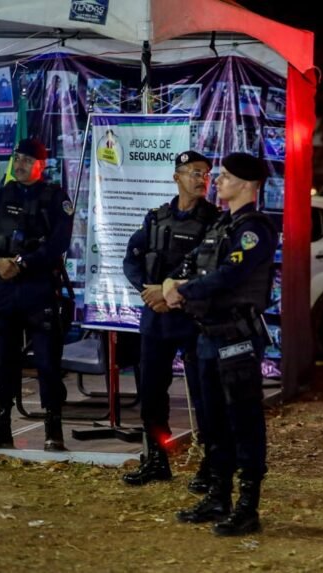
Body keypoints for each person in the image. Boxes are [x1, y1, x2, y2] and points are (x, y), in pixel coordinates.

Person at [163, 152, 276, 537]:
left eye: (225, 176)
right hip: (209, 336)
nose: (218, 181)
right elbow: (191, 262)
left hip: (238, 339)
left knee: (242, 421)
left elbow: (230, 274)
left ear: (245, 185)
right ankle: (218, 495)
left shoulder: (254, 229)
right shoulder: (221, 225)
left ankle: (247, 506)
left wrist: (182, 291)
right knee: (213, 421)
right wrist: (171, 283)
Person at [122, 151, 219, 488]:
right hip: (156, 320)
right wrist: (147, 291)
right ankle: (156, 458)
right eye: (194, 172)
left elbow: (206, 266)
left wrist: (168, 295)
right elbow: (131, 259)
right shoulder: (156, 218)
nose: (201, 179)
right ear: (177, 176)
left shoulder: (215, 221)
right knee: (151, 391)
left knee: (203, 393)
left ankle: (210, 465)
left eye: (205, 173)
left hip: (192, 320)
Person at [0, 138, 74, 451]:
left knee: (46, 362)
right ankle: (1, 427)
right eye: (16, 158)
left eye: (25, 159)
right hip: (4, 288)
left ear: (39, 165)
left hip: (39, 289)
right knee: (4, 362)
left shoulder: (55, 197)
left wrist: (24, 262)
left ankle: (52, 429)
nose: (18, 164)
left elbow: (59, 242)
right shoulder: (3, 195)